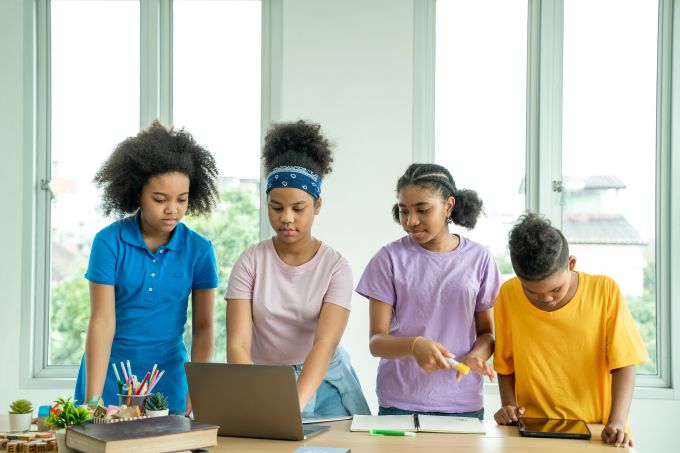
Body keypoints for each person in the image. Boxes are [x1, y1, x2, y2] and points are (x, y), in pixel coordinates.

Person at [226, 120, 370, 417]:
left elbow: (324, 343)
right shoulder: (250, 262)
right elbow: (238, 345)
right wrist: (248, 394)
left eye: (298, 208)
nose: (286, 218)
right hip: (269, 379)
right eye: (276, 207)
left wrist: (292, 406)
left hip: (327, 380)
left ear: (317, 205)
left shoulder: (336, 267)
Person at [74, 121, 219, 415]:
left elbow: (203, 328)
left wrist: (198, 391)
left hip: (170, 381)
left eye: (182, 199)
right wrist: (93, 399)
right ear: (137, 193)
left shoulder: (200, 250)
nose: (173, 209)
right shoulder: (109, 242)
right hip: (107, 379)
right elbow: (101, 321)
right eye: (159, 199)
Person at [355, 163, 500, 419]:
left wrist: (476, 356)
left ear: (448, 206)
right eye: (403, 211)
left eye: (422, 210)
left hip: (462, 403)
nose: (411, 221)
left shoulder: (480, 259)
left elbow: (487, 333)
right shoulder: (389, 259)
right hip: (400, 403)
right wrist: (414, 346)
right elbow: (376, 342)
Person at [493, 212, 649, 448]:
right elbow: (506, 365)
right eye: (533, 292)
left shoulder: (604, 291)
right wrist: (510, 409)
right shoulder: (508, 294)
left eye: (556, 289)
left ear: (571, 264)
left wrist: (617, 421)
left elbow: (624, 364)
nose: (547, 299)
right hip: (534, 430)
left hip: (599, 432)